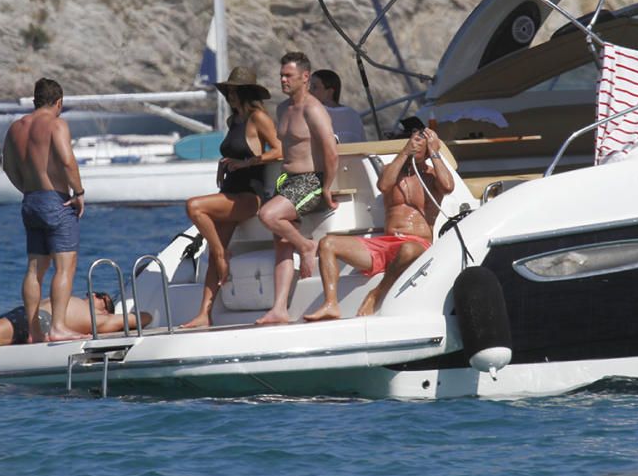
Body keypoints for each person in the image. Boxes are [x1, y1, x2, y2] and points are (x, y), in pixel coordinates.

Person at [304, 126, 454, 321]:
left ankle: (377, 294)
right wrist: (404, 152)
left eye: (422, 144)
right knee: (328, 243)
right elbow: (383, 185)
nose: (417, 146)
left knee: (407, 249)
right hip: (386, 243)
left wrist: (435, 150)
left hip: (417, 245)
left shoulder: (433, 176)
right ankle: (330, 304)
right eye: (414, 142)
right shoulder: (393, 171)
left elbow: (448, 187)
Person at [180, 66, 283, 328]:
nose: (231, 95)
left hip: (249, 194)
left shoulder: (257, 117)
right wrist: (225, 162)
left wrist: (249, 163)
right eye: (229, 91)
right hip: (229, 190)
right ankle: (204, 314)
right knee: (212, 254)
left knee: (194, 207)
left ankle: (221, 252)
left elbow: (280, 150)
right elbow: (235, 150)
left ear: (247, 92)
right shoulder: (233, 121)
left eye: (235, 91)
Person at [256, 51, 339, 325]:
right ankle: (279, 308)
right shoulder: (282, 109)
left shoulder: (313, 109)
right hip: (288, 181)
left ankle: (306, 247)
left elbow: (330, 150)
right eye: (281, 75)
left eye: (288, 75)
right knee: (280, 242)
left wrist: (327, 186)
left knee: (268, 216)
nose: (283, 80)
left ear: (305, 77)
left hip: (311, 181)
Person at [3, 77, 87, 343]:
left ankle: (34, 332)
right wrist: (79, 192)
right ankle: (58, 327)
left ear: (34, 101)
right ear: (59, 102)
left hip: (30, 201)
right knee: (65, 265)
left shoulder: (16, 128)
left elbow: (8, 167)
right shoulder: (56, 124)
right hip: (56, 200)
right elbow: (66, 160)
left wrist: (27, 189)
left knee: (34, 269)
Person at [0, 293, 151, 378]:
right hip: (21, 313)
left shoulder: (100, 318)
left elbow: (144, 318)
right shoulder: (74, 299)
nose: (96, 295)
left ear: (105, 307)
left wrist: (135, 316)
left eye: (103, 297)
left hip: (40, 321)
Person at [309, 69, 366, 143]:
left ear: (329, 92)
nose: (309, 91)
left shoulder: (315, 113)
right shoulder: (353, 114)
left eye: (314, 87)